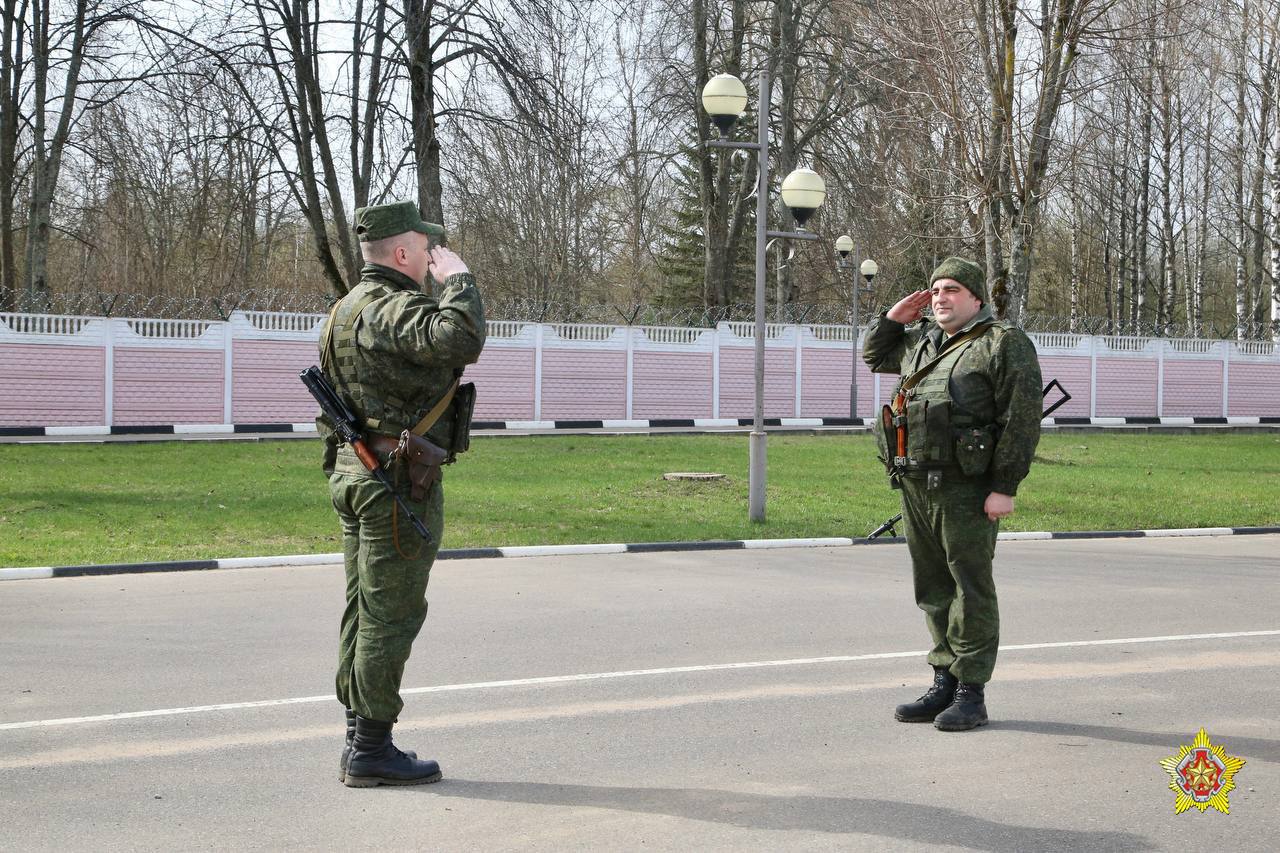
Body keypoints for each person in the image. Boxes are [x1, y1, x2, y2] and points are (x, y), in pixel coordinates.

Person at [317, 200, 485, 786]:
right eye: (428, 249)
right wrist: (458, 280)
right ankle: (371, 748)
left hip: (355, 476)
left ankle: (356, 737)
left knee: (362, 610)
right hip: (396, 486)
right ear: (404, 253)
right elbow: (462, 337)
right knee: (390, 614)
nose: (433, 258)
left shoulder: (340, 313)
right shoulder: (394, 309)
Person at [863, 257, 1041, 731]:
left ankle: (971, 692)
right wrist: (891, 320)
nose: (941, 297)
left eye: (953, 290)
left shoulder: (1002, 344)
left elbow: (1021, 419)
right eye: (936, 289)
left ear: (977, 298)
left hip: (967, 487)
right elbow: (875, 356)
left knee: (970, 589)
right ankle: (943, 679)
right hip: (916, 483)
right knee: (933, 588)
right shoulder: (922, 343)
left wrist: (1004, 487)